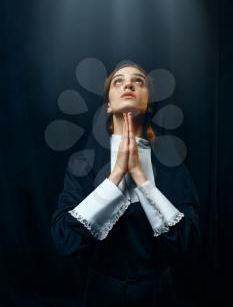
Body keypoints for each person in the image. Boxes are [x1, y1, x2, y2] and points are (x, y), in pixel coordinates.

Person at [51, 63, 201, 307]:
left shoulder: (173, 166)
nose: (128, 84)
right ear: (108, 105)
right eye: (118, 81)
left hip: (159, 296)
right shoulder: (83, 164)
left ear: (150, 104)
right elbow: (64, 240)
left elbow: (189, 245)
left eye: (138, 81)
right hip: (98, 296)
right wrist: (117, 176)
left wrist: (141, 178)